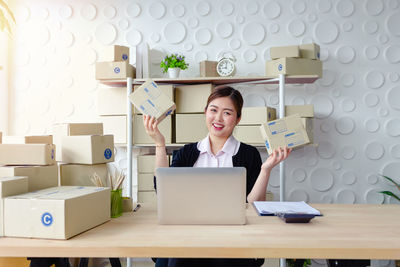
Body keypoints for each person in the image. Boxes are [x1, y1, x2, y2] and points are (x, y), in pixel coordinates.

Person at [143, 86, 291, 267]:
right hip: (189, 231)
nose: (218, 118)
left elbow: (254, 205)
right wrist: (160, 144)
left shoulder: (249, 154)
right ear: (205, 112)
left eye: (227, 113)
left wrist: (265, 170)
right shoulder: (187, 152)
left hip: (233, 234)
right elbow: (164, 191)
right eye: (213, 110)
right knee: (178, 255)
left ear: (238, 119)